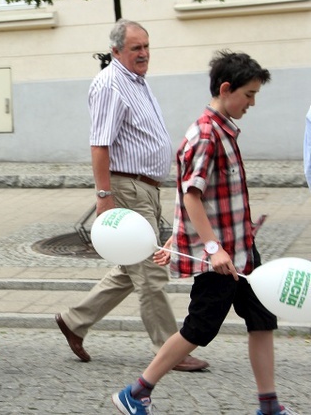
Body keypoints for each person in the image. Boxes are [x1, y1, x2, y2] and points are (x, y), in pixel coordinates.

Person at [111, 51, 295, 415]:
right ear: (226, 89)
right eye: (249, 94)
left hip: (242, 249)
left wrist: (177, 238)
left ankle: (269, 405)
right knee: (200, 328)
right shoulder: (207, 133)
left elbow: (196, 199)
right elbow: (190, 194)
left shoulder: (223, 129)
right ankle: (135, 392)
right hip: (222, 258)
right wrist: (211, 248)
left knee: (262, 320)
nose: (252, 103)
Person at [54, 19, 209, 372]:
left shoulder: (136, 81)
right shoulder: (111, 84)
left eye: (146, 46)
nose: (143, 53)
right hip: (127, 188)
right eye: (135, 48)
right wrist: (104, 196)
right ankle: (170, 349)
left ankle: (75, 320)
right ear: (116, 51)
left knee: (131, 267)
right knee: (151, 272)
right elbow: (99, 144)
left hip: (147, 188)